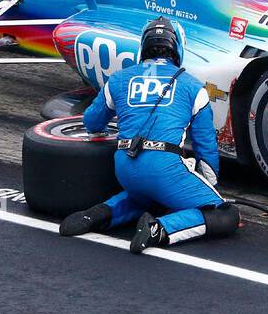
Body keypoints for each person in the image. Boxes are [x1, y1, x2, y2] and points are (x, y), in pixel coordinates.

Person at [58, 17, 240, 254]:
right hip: (165, 167)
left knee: (149, 198)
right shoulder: (193, 87)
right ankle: (159, 230)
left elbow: (91, 121)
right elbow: (206, 149)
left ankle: (98, 215)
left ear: (142, 47)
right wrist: (211, 190)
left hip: (125, 166)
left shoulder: (119, 79)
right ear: (178, 49)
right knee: (225, 214)